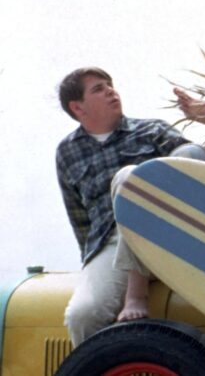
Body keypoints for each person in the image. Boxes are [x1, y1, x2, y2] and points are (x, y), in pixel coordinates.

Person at [56, 67, 195, 346]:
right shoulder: (66, 152)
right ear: (77, 107)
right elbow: (80, 221)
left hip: (162, 235)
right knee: (81, 316)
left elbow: (191, 160)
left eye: (110, 84)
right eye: (98, 88)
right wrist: (93, 269)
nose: (110, 90)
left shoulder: (152, 130)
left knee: (129, 177)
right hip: (112, 245)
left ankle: (137, 294)